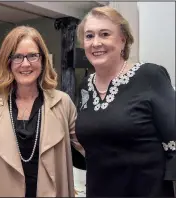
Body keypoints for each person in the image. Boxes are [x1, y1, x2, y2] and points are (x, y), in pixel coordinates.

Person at [75, 6, 176, 197]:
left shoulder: (150, 76)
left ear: (123, 40)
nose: (96, 43)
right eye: (89, 36)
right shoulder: (85, 86)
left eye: (104, 34)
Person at [0, 26, 84, 197]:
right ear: (8, 61)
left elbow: (89, 146)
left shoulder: (62, 102)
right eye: (18, 57)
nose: (25, 64)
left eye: (33, 56)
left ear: (42, 60)